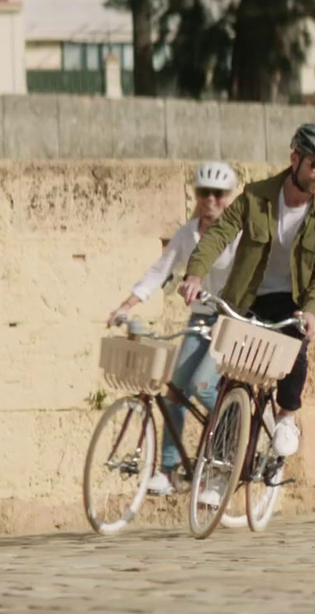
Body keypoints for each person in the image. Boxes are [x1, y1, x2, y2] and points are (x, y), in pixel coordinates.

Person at [178, 123, 315, 472]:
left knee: (296, 349)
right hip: (249, 297)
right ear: (295, 158)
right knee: (231, 384)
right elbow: (219, 234)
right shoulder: (257, 196)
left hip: (293, 301)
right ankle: (218, 469)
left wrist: (314, 312)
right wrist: (195, 273)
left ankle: (286, 417)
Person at [107, 161, 242, 497]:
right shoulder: (189, 233)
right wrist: (128, 303)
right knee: (176, 391)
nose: (210, 199)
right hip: (200, 318)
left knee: (202, 384)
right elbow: (161, 270)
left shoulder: (239, 234)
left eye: (219, 194)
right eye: (203, 193)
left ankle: (232, 440)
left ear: (230, 196)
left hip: (230, 318)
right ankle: (168, 471)